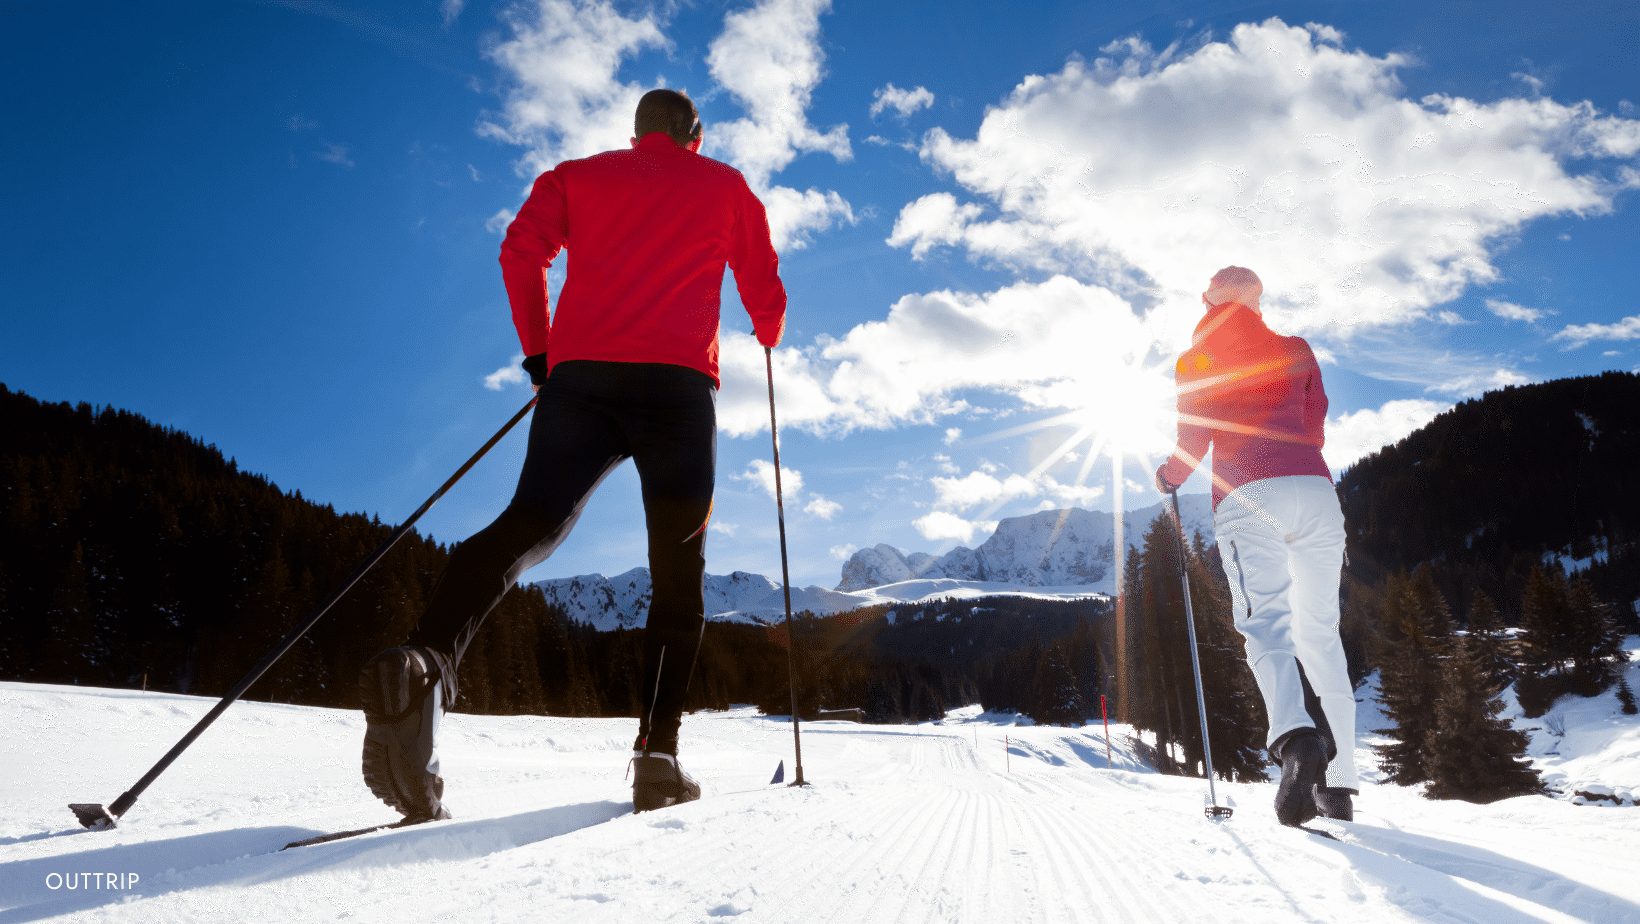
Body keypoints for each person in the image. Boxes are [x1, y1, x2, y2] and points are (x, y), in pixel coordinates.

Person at [358, 89, 787, 820]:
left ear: (634, 134)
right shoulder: (725, 186)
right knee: (677, 575)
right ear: (696, 135)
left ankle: (426, 660)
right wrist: (769, 330)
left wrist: (540, 356)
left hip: (580, 383)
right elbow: (764, 293)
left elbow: (520, 253)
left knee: (528, 525)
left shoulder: (575, 176)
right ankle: (657, 758)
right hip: (680, 394)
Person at [1154, 266, 1357, 826]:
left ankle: (1297, 741)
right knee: (1320, 630)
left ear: (1208, 302)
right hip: (1316, 491)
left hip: (1248, 494)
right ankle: (1340, 785)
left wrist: (1172, 475)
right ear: (1258, 301)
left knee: (1266, 623)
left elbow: (1194, 432)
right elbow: (1316, 420)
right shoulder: (1295, 348)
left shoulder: (1197, 360)